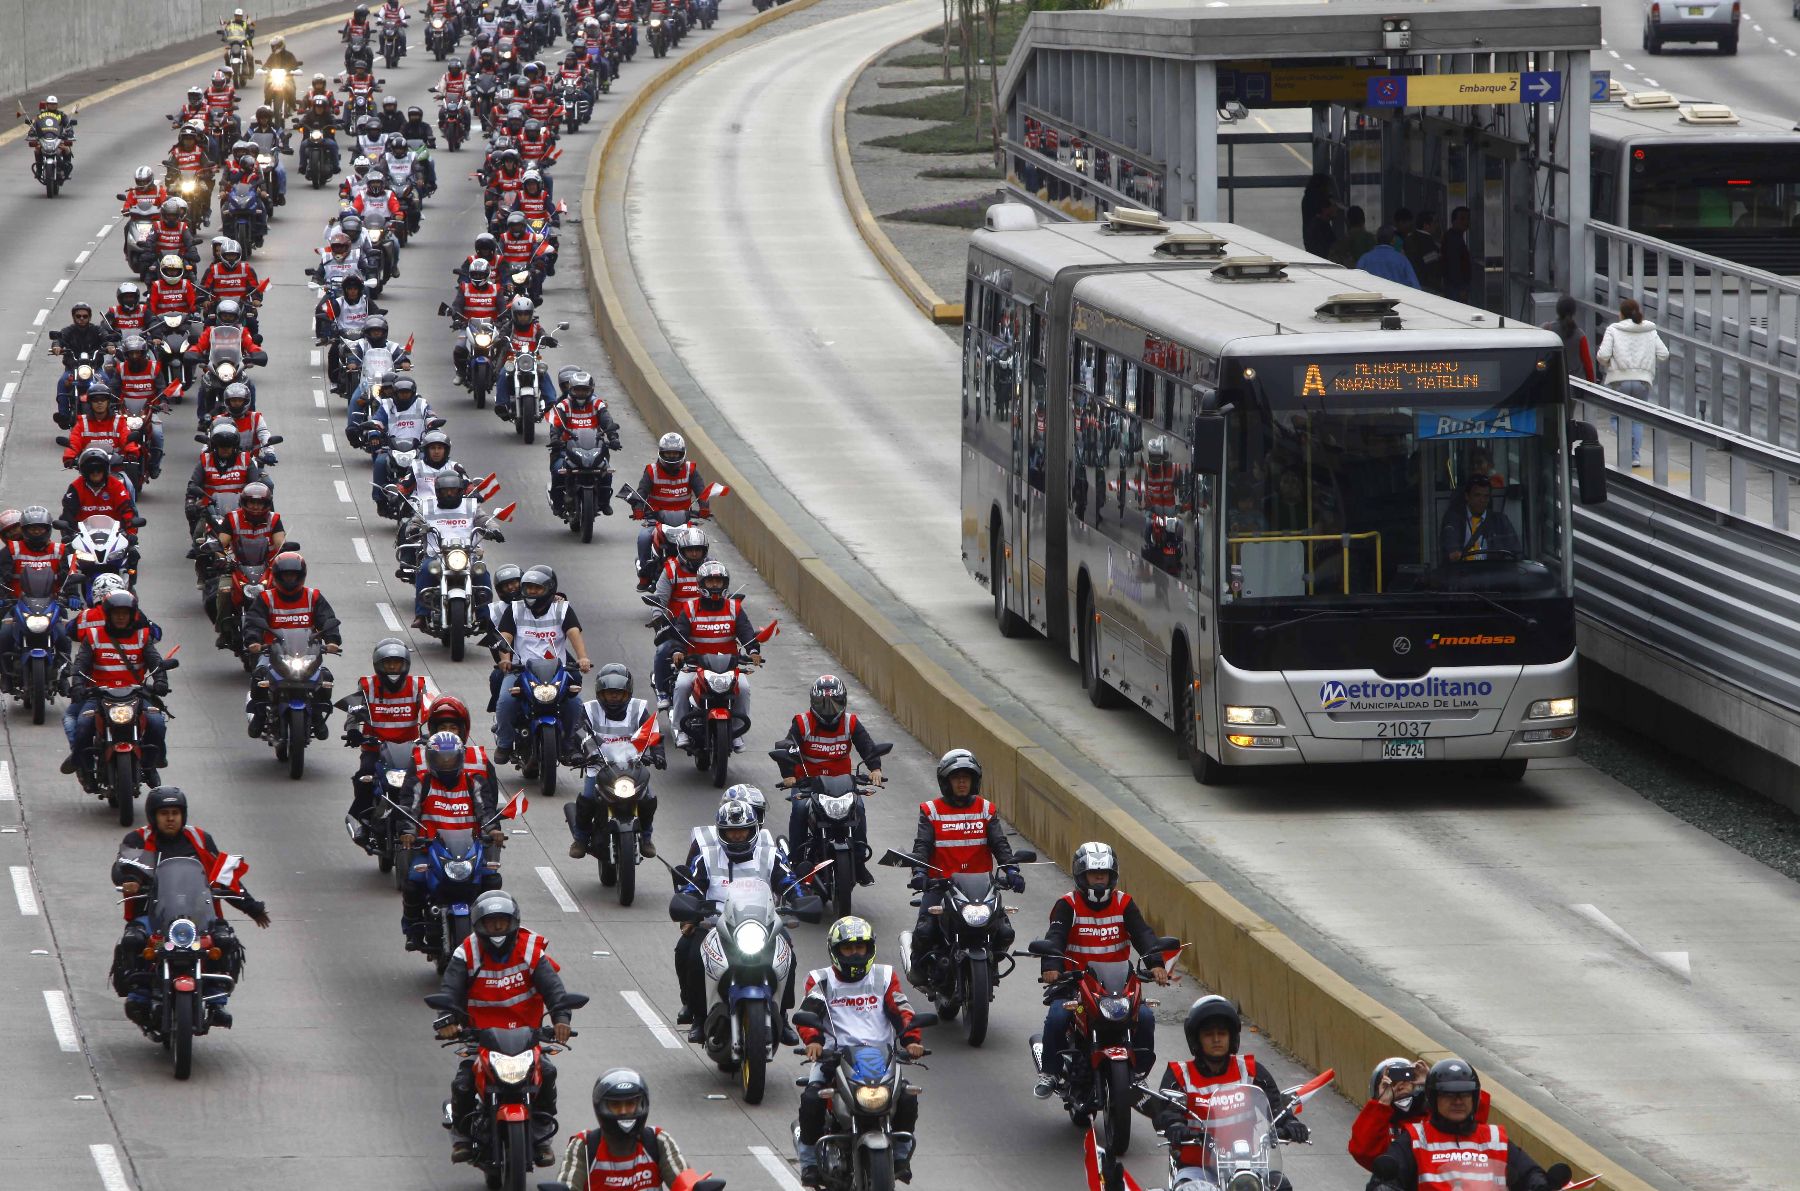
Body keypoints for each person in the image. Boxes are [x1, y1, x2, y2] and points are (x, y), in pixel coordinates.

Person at [433, 889, 575, 1167]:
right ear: (478, 925)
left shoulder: (530, 950)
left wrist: (561, 1019)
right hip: (481, 1039)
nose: (497, 928)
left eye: (502, 922)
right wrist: (447, 1021)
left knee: (546, 1072)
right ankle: (462, 1136)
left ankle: (541, 1135)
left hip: (526, 1038)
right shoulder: (467, 953)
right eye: (491, 923)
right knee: (463, 1082)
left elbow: (554, 990)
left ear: (514, 922)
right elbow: (449, 992)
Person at [111, 788, 270, 1030]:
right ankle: (139, 998)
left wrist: (252, 907)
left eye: (175, 813)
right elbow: (122, 867)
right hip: (153, 917)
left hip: (199, 916)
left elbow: (224, 876)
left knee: (224, 939)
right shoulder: (139, 839)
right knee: (134, 940)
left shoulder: (199, 839)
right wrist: (128, 880)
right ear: (154, 816)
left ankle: (216, 1001)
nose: (171, 818)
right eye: (164, 813)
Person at [1033, 841, 1170, 1099]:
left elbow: (1143, 935)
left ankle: (1138, 1073)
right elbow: (1055, 937)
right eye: (1093, 874)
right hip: (1075, 984)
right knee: (1057, 1017)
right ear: (1081, 876)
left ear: (1112, 875)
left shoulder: (1124, 903)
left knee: (1146, 1018)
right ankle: (1050, 1072)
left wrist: (1156, 964)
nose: (1098, 878)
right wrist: (1051, 967)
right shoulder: (1068, 905)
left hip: (1117, 985)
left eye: (1103, 873)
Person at [795, 916, 926, 1186]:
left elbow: (902, 1010)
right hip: (833, 1057)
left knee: (908, 1097)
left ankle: (900, 1156)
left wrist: (911, 1040)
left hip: (880, 1059)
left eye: (861, 948)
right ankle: (809, 1161)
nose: (855, 954)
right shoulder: (820, 980)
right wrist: (814, 1041)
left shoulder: (884, 976)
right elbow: (809, 1012)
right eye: (848, 948)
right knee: (811, 1099)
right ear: (835, 950)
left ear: (870, 949)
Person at [674, 799, 802, 1040]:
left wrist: (800, 900)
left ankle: (782, 1015)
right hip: (715, 923)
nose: (737, 837)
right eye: (731, 832)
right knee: (688, 952)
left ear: (753, 831)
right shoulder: (707, 856)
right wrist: (690, 909)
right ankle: (698, 1014)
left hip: (762, 924)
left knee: (788, 956)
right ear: (721, 833)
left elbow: (789, 882)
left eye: (742, 831)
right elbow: (691, 887)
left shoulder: (770, 855)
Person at [1150, 996, 1308, 1179]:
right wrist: (1175, 1124)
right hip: (1197, 1167)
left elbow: (1274, 1106)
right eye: (1208, 1034)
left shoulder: (1250, 1070)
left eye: (1222, 1033)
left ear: (1232, 1037)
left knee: (1281, 1185)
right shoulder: (1180, 1074)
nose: (1216, 1039)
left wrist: (1290, 1123)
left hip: (1246, 1165)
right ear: (1196, 1039)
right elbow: (1165, 1110)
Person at [905, 749, 1019, 988]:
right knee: (925, 930)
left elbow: (1000, 844)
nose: (961, 782)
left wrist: (1012, 871)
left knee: (1004, 932)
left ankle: (992, 961)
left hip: (981, 888)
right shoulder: (931, 810)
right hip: (942, 886)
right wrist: (919, 873)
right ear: (945, 781)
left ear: (974, 780)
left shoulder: (986, 809)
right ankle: (918, 967)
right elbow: (922, 846)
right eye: (956, 777)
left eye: (966, 777)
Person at [1366, 1058, 1570, 1191]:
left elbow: (1529, 1173)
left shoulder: (1495, 1139)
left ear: (1474, 1098)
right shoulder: (1414, 1139)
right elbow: (1383, 1176)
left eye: (1464, 1094)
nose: (1458, 1101)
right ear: (1433, 1098)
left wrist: (1541, 1186)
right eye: (1449, 1095)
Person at [776, 675, 886, 874]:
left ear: (843, 702)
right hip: (807, 784)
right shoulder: (802, 722)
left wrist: (875, 769)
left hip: (842, 786)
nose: (828, 710)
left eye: (834, 704)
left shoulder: (850, 722)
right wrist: (788, 774)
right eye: (822, 704)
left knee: (858, 809)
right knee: (800, 809)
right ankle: (796, 862)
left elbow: (867, 746)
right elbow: (787, 747)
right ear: (813, 703)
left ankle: (859, 862)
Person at [400, 730, 501, 948]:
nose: (446, 764)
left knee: (492, 880)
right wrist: (408, 833)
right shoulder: (420, 783)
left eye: (451, 758)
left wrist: (493, 831)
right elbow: (409, 810)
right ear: (430, 760)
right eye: (440, 759)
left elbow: (487, 811)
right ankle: (412, 927)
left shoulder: (474, 782)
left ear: (460, 758)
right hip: (430, 850)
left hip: (469, 852)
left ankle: (491, 927)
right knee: (413, 883)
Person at [63, 590, 169, 781]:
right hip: (100, 695)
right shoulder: (93, 636)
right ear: (108, 615)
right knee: (83, 725)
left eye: (125, 613)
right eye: (116, 613)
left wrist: (161, 681)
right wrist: (78, 685)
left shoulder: (142, 636)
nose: (121, 617)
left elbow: (156, 662)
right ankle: (85, 768)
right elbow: (80, 664)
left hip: (135, 694)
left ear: (132, 615)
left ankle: (150, 765)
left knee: (157, 723)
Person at [493, 565, 593, 763]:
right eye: (528, 588)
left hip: (557, 671)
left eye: (536, 588)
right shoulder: (515, 609)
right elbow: (504, 636)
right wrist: (505, 660)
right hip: (521, 670)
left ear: (549, 588)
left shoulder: (562, 608)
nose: (531, 592)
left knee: (574, 704)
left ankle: (568, 743)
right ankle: (504, 743)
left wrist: (583, 658)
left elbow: (574, 632)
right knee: (505, 701)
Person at [568, 663, 664, 860]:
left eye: (617, 693)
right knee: (587, 799)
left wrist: (658, 754)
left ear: (626, 693)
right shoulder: (589, 709)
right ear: (599, 693)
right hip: (599, 766)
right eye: (608, 693)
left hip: (632, 766)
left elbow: (653, 734)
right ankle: (579, 838)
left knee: (649, 799)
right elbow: (577, 732)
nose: (613, 697)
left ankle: (646, 837)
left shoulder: (638, 709)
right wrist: (576, 754)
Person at [241, 551, 341, 739]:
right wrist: (253, 641)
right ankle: (260, 715)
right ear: (277, 576)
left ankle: (318, 715)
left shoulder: (313, 597)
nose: (289, 579)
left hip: (307, 652)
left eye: (293, 575)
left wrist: (332, 641)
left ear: (301, 575)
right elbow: (253, 621)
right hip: (273, 652)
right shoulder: (265, 598)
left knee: (325, 677)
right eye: (285, 575)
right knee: (259, 674)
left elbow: (327, 619)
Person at [668, 560, 761, 751]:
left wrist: (753, 651)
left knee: (743, 688)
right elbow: (680, 633)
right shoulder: (690, 608)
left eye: (719, 582)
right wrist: (678, 651)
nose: (715, 586)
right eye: (711, 582)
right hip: (696, 665)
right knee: (681, 685)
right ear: (701, 583)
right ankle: (681, 730)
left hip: (729, 666)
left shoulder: (734, 607)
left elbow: (746, 632)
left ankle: (736, 733)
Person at [551, 1069, 692, 1191]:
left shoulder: (658, 1140)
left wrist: (697, 1187)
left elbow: (685, 1181)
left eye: (630, 1103)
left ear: (640, 1105)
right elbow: (567, 1184)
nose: (623, 1111)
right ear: (602, 1107)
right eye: (615, 1104)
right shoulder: (584, 1145)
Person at [345, 637, 429, 833]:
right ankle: (363, 819)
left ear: (405, 664)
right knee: (364, 777)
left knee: (428, 781)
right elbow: (355, 710)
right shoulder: (367, 685)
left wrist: (432, 735)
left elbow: (428, 712)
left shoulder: (417, 685)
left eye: (397, 663)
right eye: (388, 663)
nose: (392, 667)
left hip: (411, 749)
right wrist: (353, 731)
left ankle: (427, 821)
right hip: (375, 748)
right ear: (378, 665)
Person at [1595, 297, 1669, 468]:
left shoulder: (1613, 329)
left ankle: (1626, 447)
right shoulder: (1650, 330)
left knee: (1616, 418)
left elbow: (1602, 355)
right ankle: (1635, 456)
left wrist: (1610, 364)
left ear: (1621, 314)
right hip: (1642, 381)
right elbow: (1663, 354)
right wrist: (1646, 364)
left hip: (1618, 381)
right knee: (1637, 419)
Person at [634, 433, 713, 584]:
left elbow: (701, 491)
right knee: (643, 538)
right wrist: (638, 508)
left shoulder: (691, 469)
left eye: (675, 453)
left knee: (700, 543)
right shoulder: (651, 470)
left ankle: (705, 574)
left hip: (684, 521)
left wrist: (704, 507)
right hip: (655, 519)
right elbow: (641, 492)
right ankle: (644, 574)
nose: (671, 457)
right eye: (668, 453)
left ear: (682, 453)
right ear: (661, 453)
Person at [544, 370, 620, 516]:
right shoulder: (563, 406)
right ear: (571, 389)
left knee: (607, 471)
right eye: (577, 389)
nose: (580, 393)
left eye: (584, 390)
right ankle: (558, 503)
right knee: (557, 470)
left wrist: (613, 438)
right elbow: (556, 425)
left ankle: (604, 502)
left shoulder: (598, 404)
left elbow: (607, 421)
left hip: (594, 448)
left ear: (591, 390)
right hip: (566, 449)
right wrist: (555, 439)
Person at [648, 527, 707, 707]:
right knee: (663, 650)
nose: (695, 554)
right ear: (682, 551)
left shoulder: (712, 569)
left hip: (707, 626)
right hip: (677, 628)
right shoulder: (671, 570)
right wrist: (658, 620)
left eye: (698, 550)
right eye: (691, 550)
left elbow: (725, 598)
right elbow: (659, 601)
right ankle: (662, 691)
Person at [1440, 475, 1519, 564]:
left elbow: (1515, 552)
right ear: (1467, 496)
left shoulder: (1500, 521)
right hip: (1464, 573)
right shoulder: (1453, 519)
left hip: (1492, 572)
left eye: (1486, 496)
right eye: (1477, 495)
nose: (1482, 500)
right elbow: (1450, 541)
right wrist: (1454, 552)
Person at [1542, 295, 1596, 383]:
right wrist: (1592, 386)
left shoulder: (1547, 329)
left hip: (1552, 382)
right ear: (1574, 312)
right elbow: (1588, 366)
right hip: (1575, 386)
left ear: (1557, 310)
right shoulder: (1580, 335)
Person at [1356, 226, 1420, 289]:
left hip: (1372, 298)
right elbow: (1415, 286)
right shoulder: (1402, 260)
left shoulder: (1364, 258)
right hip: (1397, 298)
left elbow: (1356, 283)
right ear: (1393, 240)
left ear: (1376, 239)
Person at [1441, 206, 1474, 302]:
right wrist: (1461, 288)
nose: (1466, 222)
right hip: (1455, 287)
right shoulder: (1453, 238)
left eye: (1468, 219)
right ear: (1454, 221)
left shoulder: (1457, 237)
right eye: (1462, 219)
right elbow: (1453, 264)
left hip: (1456, 286)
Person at [1330, 205, 1377, 269]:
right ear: (1363, 220)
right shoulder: (1373, 240)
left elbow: (1333, 263)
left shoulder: (1341, 243)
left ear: (1347, 222)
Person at [1302, 193, 1337, 258]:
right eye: (1333, 205)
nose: (1336, 208)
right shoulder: (1321, 227)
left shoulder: (1319, 224)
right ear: (1324, 208)